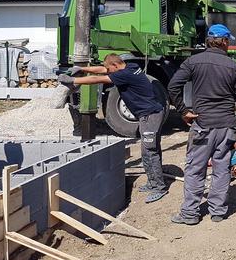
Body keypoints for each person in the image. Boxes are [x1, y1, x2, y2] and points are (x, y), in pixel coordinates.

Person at [167, 24, 236, 224]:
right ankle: (218, 211)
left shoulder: (193, 62)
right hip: (226, 126)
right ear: (224, 42)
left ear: (209, 41)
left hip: (202, 124)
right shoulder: (234, 67)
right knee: (222, 168)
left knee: (196, 168)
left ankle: (190, 214)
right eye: (228, 41)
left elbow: (173, 86)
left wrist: (184, 111)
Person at [58, 54, 169, 203]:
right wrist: (82, 69)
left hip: (150, 116)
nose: (108, 71)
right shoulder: (131, 66)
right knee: (148, 149)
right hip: (150, 114)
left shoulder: (124, 75)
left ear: (115, 66)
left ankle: (159, 187)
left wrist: (73, 80)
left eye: (109, 69)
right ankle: (152, 182)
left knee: (150, 150)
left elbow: (97, 79)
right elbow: (102, 70)